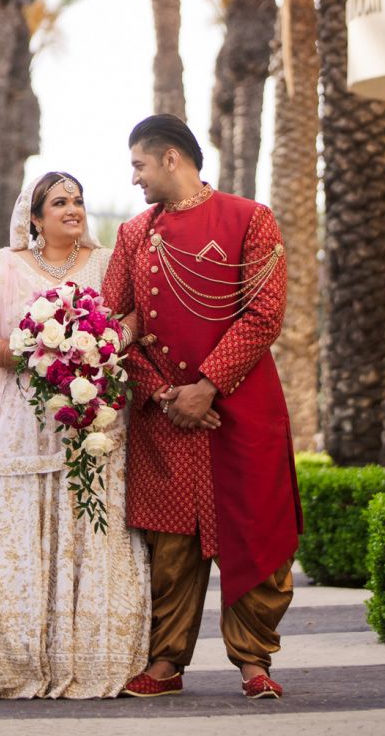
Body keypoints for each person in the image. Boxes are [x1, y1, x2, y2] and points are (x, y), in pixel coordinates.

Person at [0, 172, 149, 701]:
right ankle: (5, 659)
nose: (73, 209)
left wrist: (104, 340)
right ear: (35, 218)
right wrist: (44, 353)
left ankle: (88, 659)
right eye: (60, 202)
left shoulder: (108, 263)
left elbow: (134, 315)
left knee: (89, 531)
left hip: (92, 426)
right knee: (12, 535)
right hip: (23, 426)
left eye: (79, 201)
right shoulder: (3, 267)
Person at [101, 114, 303, 701]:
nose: (134, 177)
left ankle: (254, 662)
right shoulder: (134, 234)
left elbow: (265, 313)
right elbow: (111, 327)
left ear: (171, 158)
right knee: (171, 546)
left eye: (139, 164)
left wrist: (208, 386)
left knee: (256, 535)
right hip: (163, 414)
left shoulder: (251, 219)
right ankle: (165, 664)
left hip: (241, 407)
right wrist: (166, 394)